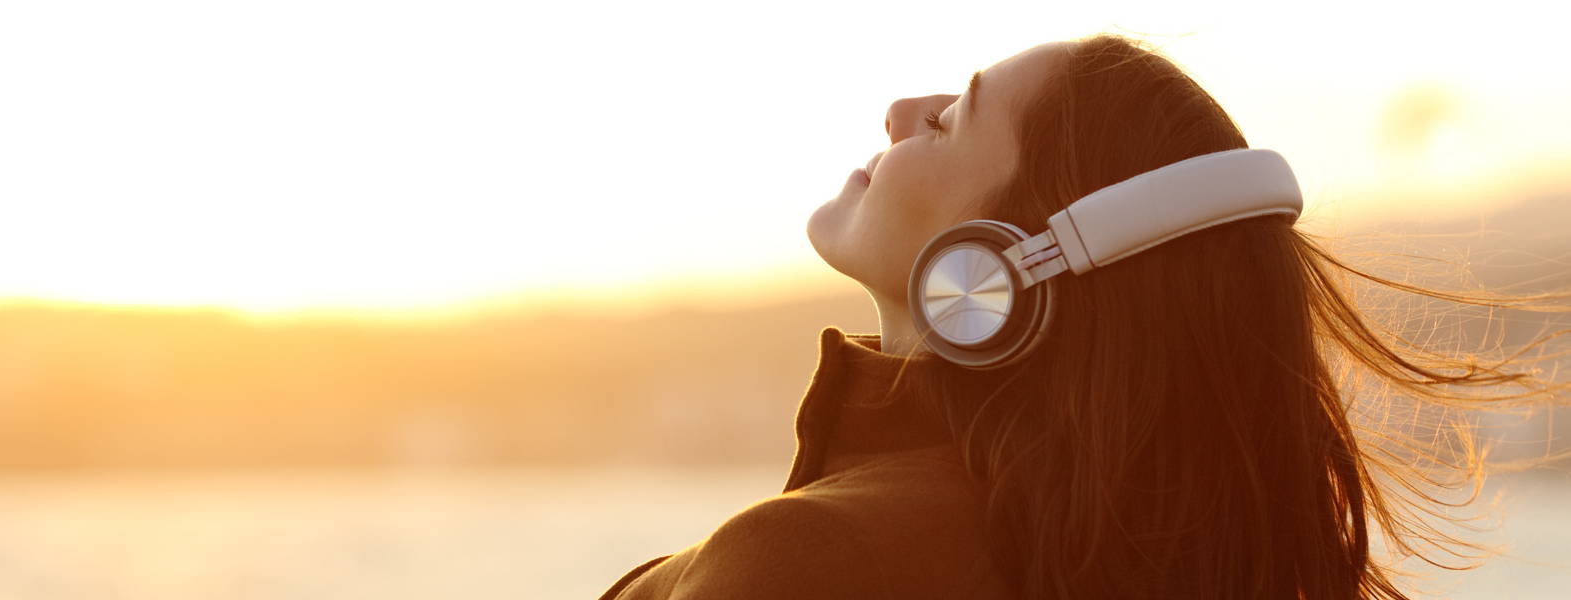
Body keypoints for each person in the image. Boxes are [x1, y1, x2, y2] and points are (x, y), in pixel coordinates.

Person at [598, 35, 1570, 599]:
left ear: (1004, 268)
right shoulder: (1119, 563)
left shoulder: (806, 565)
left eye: (948, 122)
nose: (900, 110)